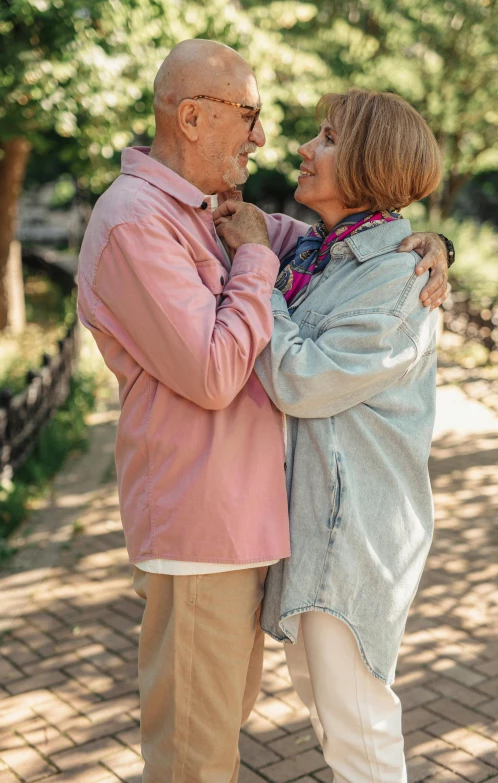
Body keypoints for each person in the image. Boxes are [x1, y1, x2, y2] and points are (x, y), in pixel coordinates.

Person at [78, 38, 449, 782]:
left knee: (269, 733)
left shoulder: (232, 222)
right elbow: (218, 368)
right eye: (249, 113)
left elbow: (326, 268)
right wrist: (254, 261)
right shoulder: (139, 221)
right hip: (206, 522)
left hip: (281, 531)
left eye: (325, 137)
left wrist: (428, 244)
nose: (270, 138)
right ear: (191, 116)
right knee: (200, 754)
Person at [215, 88, 445, 782]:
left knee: (362, 738)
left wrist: (258, 277)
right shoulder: (320, 252)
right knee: (333, 719)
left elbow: (302, 380)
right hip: (312, 531)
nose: (303, 150)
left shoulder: (398, 277)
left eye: (327, 138)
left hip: (353, 540)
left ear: (370, 162)